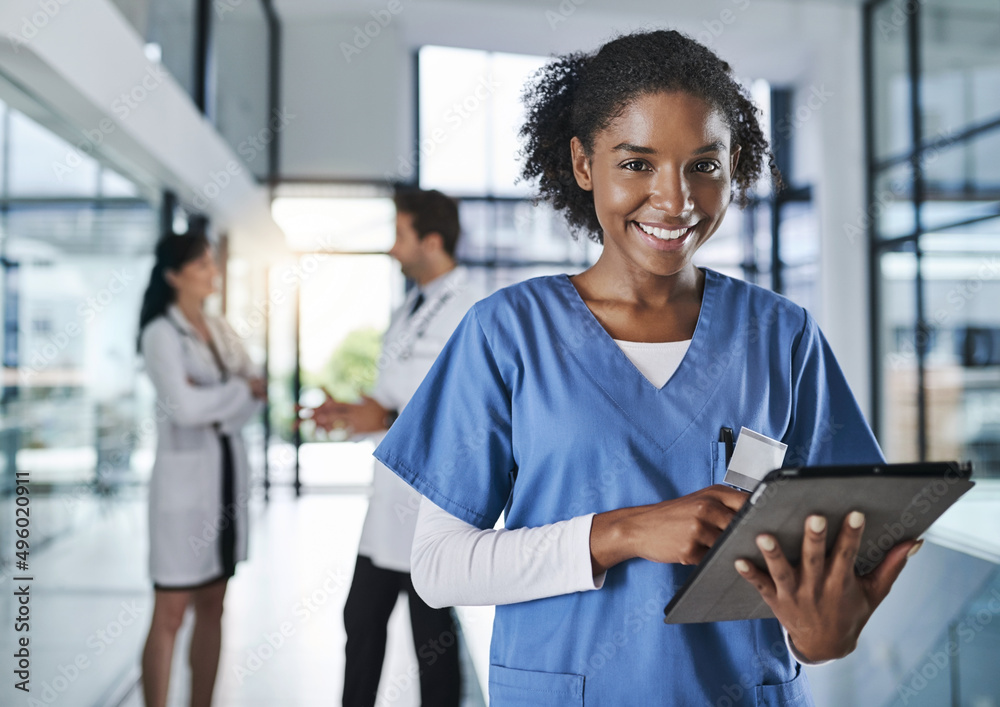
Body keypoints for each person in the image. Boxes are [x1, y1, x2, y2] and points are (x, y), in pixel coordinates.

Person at [373, 30, 922, 705]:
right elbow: (436, 567)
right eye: (636, 163)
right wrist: (624, 530)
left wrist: (823, 635)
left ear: (734, 164)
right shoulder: (507, 331)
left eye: (703, 164)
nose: (674, 199)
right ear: (583, 163)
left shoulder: (782, 334)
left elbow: (832, 551)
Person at [304, 188, 478, 707]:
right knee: (360, 623)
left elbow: (463, 406)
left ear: (430, 240)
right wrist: (353, 414)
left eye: (399, 234)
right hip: (388, 502)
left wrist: (384, 415)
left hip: (430, 500)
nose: (391, 247)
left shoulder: (471, 309)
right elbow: (395, 393)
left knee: (432, 639)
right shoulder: (409, 307)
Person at [137, 227, 265, 707]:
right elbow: (186, 409)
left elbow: (256, 394)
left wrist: (221, 397)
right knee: (170, 612)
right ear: (174, 276)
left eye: (213, 263)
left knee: (215, 604)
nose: (213, 272)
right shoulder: (159, 334)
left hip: (226, 482)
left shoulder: (223, 329)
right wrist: (235, 393)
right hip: (182, 493)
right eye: (202, 265)